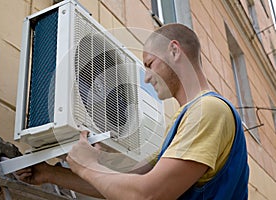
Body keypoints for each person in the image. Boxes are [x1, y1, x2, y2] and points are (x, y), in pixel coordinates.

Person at [16, 23, 249, 199]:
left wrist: (87, 166)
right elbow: (130, 185)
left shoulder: (208, 110)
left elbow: (148, 194)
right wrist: (49, 174)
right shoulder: (184, 118)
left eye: (149, 64)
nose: (147, 78)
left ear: (174, 51)